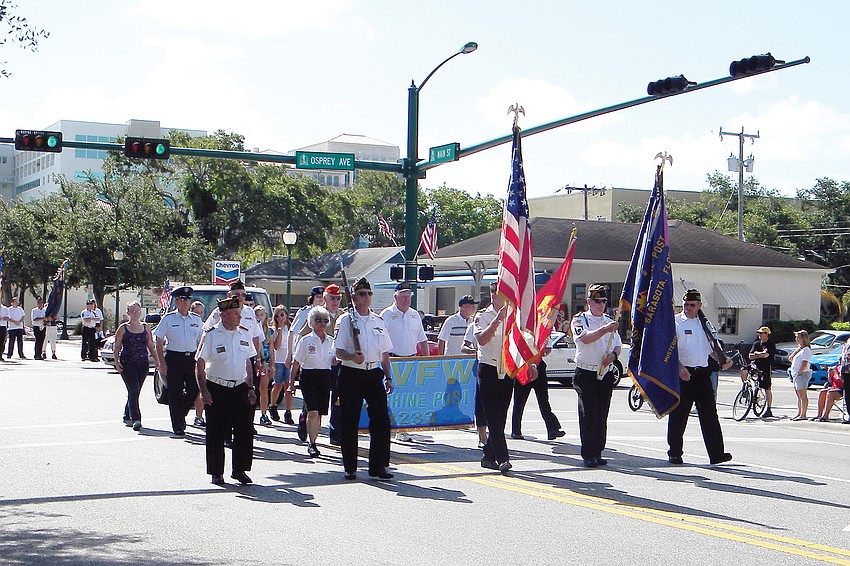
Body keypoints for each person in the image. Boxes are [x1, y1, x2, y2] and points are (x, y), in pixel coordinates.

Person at [334, 277, 395, 481]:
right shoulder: (346, 320)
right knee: (349, 420)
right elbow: (338, 351)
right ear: (353, 297)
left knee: (381, 420)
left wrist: (388, 377)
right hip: (352, 373)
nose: (366, 297)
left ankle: (379, 465)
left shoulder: (378, 321)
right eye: (362, 294)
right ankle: (350, 466)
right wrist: (352, 356)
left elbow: (384, 352)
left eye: (369, 293)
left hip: (373, 373)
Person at [474, 283, 536, 475]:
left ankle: (488, 455)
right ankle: (503, 458)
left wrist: (530, 364)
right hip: (489, 368)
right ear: (492, 296)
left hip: (507, 368)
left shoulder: (514, 317)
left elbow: (520, 344)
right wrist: (497, 321)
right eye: (499, 294)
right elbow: (481, 340)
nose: (502, 298)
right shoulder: (482, 316)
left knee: (500, 416)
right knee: (492, 414)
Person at [196, 295, 258, 486]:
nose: (240, 317)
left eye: (240, 313)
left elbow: (248, 362)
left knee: (244, 430)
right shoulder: (212, 335)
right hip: (217, 387)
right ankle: (216, 472)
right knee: (216, 431)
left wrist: (250, 387)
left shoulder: (244, 333)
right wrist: (203, 390)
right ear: (224, 315)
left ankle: (239, 470)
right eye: (236, 314)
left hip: (239, 388)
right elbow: (200, 363)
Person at [668, 289, 732, 466]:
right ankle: (674, 452)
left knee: (710, 415)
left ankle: (716, 453)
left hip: (702, 374)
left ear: (699, 306)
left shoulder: (704, 324)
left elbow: (712, 349)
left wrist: (724, 360)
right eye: (686, 304)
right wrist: (679, 367)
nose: (688, 308)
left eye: (692, 305)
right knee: (679, 415)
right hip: (683, 374)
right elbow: (669, 351)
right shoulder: (675, 322)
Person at [571, 285, 621, 467]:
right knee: (589, 414)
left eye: (603, 301)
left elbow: (617, 345)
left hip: (605, 373)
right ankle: (588, 453)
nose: (601, 305)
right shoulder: (580, 320)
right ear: (589, 302)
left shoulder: (609, 321)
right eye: (597, 301)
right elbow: (584, 339)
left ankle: (598, 451)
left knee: (602, 415)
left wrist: (613, 356)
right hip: (586, 372)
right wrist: (605, 330)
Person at [153, 286, 204, 436]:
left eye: (188, 299)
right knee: (175, 393)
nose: (186, 302)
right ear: (176, 301)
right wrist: (161, 362)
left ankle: (180, 415)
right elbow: (159, 340)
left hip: (191, 358)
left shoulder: (196, 319)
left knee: (194, 389)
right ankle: (178, 425)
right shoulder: (169, 319)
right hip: (174, 358)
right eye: (182, 299)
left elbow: (201, 340)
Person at [291, 306, 335, 457]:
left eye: (324, 320)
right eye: (318, 320)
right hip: (309, 376)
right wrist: (291, 385)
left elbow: (334, 361)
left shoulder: (331, 341)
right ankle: (312, 443)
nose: (322, 323)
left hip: (325, 376)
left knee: (321, 412)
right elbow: (296, 363)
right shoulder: (305, 340)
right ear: (311, 322)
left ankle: (313, 436)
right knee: (313, 411)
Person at [114, 301, 160, 431]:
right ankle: (136, 419)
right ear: (128, 313)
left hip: (142, 363)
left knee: (134, 391)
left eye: (137, 311)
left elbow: (150, 344)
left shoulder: (145, 327)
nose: (135, 313)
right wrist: (116, 362)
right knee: (133, 389)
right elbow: (117, 346)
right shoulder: (123, 328)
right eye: (132, 311)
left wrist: (157, 361)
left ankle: (126, 414)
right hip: (127, 364)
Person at [511, 353, 565, 442]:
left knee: (544, 401)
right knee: (519, 402)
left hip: (539, 365)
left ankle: (552, 429)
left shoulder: (541, 338)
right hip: (524, 367)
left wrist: (543, 350)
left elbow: (547, 349)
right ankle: (516, 431)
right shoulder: (523, 338)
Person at [462, 295, 490, 448]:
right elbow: (464, 346)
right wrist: (475, 351)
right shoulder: (475, 324)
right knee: (481, 402)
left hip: (499, 366)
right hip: (482, 364)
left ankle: (495, 434)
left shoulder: (503, 322)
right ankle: (482, 435)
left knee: (497, 403)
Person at [380, 282, 429, 358]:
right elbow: (379, 340)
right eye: (403, 297)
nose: (406, 300)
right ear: (395, 297)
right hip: (392, 359)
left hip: (412, 359)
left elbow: (422, 339)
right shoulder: (386, 314)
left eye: (408, 297)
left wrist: (428, 360)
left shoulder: (415, 314)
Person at [268, 306, 291, 423]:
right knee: (278, 385)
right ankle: (272, 406)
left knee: (289, 386)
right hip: (278, 360)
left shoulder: (291, 328)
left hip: (288, 360)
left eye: (282, 315)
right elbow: (276, 346)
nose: (280, 318)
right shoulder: (274, 330)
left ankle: (288, 412)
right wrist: (280, 331)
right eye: (277, 316)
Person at [254, 304, 275, 426]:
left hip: (265, 361)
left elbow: (271, 349)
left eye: (261, 314)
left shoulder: (270, 331)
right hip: (254, 360)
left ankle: (264, 414)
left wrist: (272, 364)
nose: (259, 317)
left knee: (264, 389)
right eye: (257, 314)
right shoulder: (251, 328)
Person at [749, 326, 776, 418]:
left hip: (765, 368)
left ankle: (769, 408)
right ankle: (746, 391)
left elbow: (766, 355)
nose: (759, 335)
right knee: (743, 370)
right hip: (755, 366)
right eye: (759, 333)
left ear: (766, 334)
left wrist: (757, 354)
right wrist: (759, 354)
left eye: (761, 333)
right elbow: (750, 356)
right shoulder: (756, 344)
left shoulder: (770, 344)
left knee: (767, 388)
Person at [788, 330, 813, 421]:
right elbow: (790, 358)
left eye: (798, 338)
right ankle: (799, 413)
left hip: (802, 374)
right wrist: (797, 349)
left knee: (803, 395)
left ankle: (803, 414)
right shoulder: (801, 350)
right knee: (799, 395)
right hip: (796, 374)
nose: (796, 339)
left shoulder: (806, 350)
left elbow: (804, 363)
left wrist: (799, 373)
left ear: (803, 339)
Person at [189, 300, 207, 427]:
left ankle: (201, 416)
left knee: (203, 388)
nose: (199, 315)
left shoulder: (205, 326)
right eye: (196, 312)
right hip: (190, 358)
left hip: (204, 359)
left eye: (201, 312)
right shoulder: (188, 324)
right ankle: (198, 416)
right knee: (195, 389)